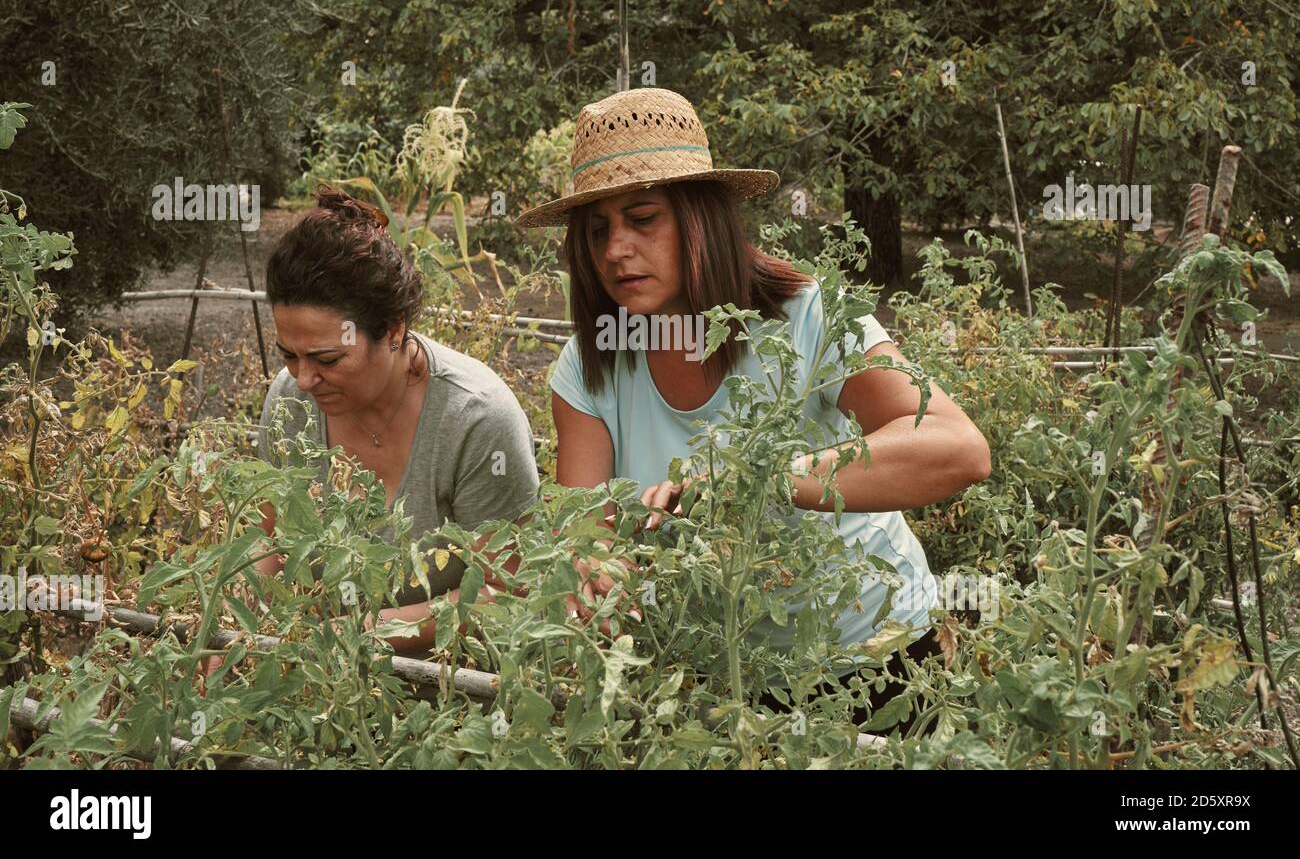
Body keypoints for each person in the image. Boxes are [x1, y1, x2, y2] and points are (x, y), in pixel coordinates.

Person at [515, 87, 992, 733]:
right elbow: (582, 527)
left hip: (876, 661)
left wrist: (759, 476)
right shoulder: (592, 363)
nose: (615, 248)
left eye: (642, 217)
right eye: (597, 229)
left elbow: (957, 447)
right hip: (715, 676)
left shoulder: (804, 315)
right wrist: (594, 564)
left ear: (701, 217)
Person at [215, 187, 539, 676]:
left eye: (327, 359)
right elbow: (266, 536)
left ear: (393, 330)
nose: (303, 379)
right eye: (288, 354)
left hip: (448, 692)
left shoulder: (474, 419)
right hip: (313, 680)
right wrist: (232, 627)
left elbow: (504, 591)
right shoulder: (291, 402)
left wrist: (361, 634)